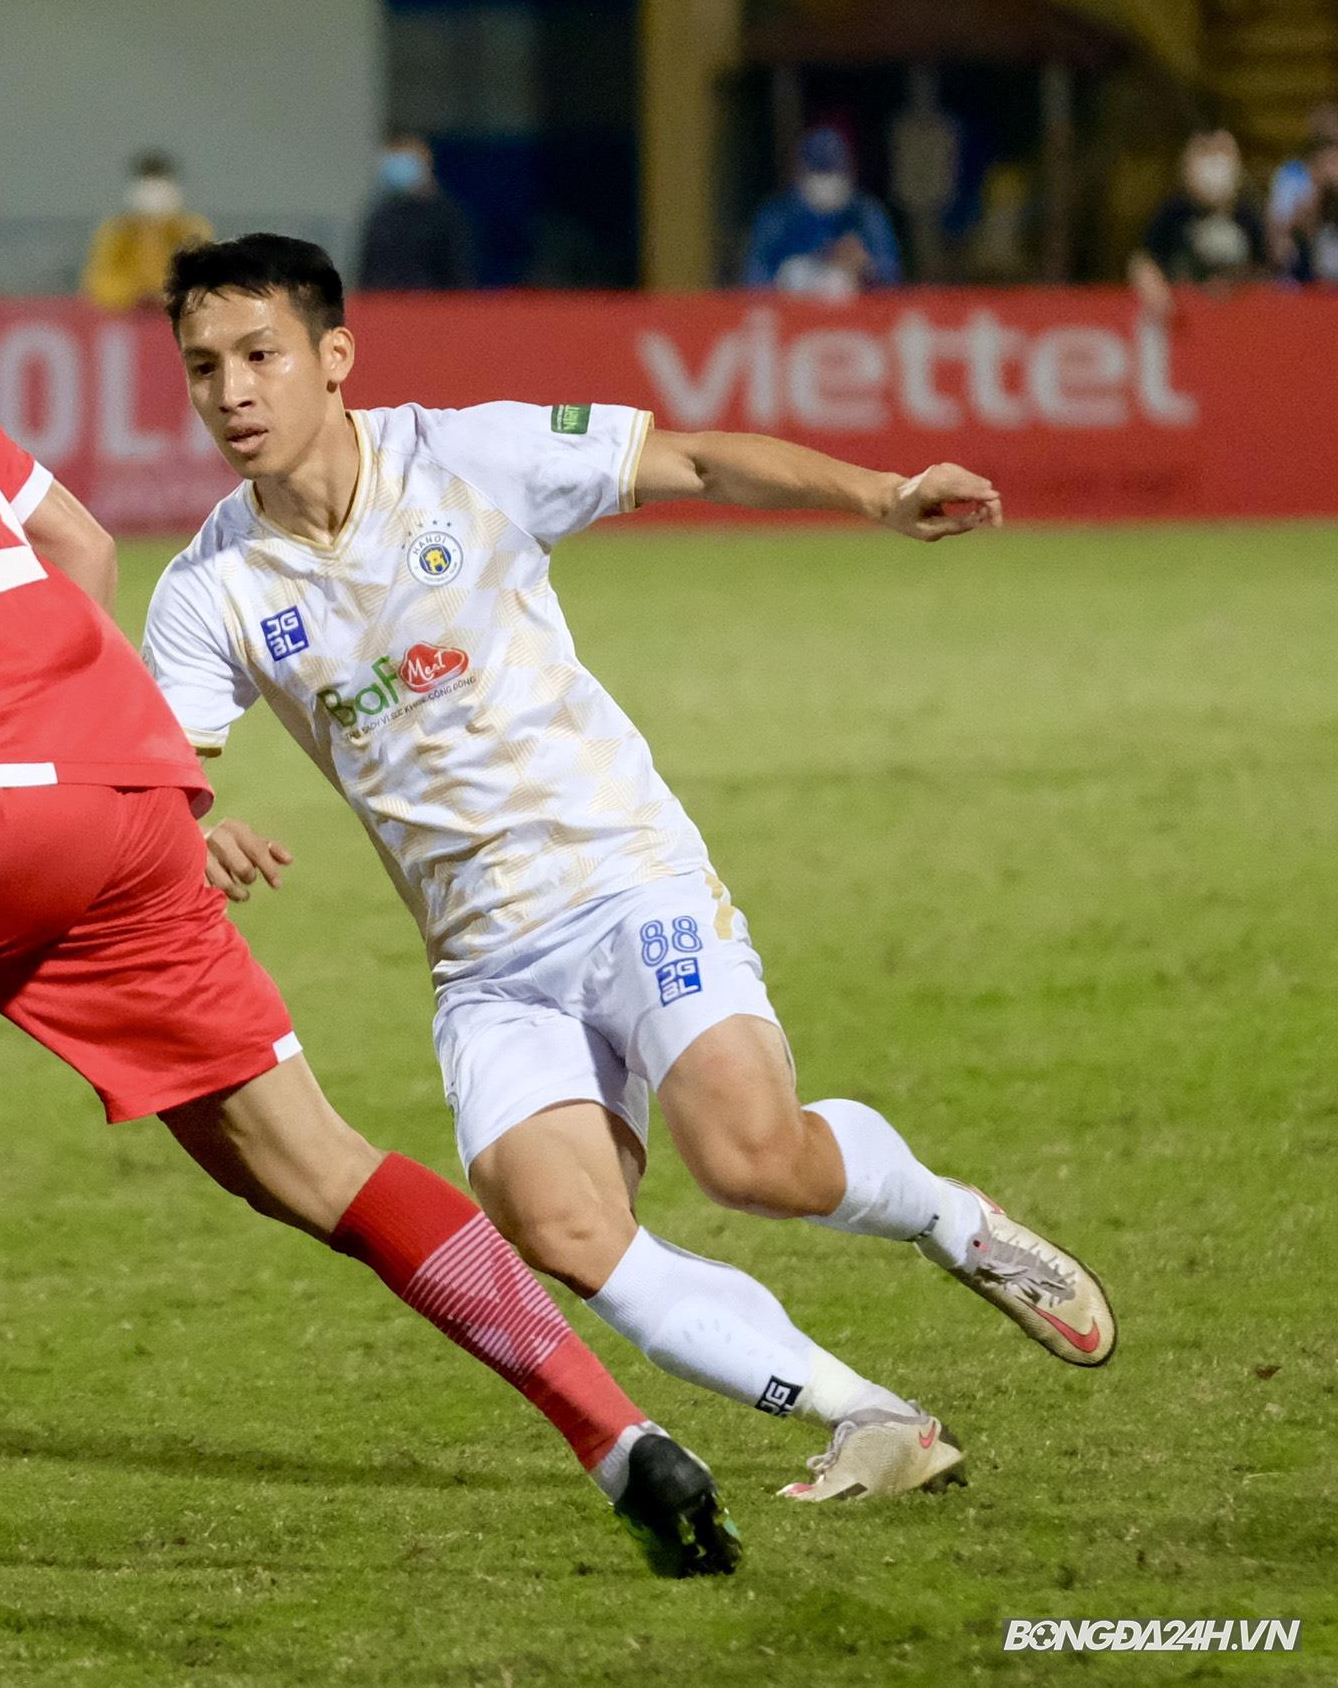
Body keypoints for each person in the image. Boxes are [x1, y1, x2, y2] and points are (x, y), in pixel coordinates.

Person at [0, 35, 739, 1584]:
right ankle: (615, 1431)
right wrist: (129, 776)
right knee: (311, 1160)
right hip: (115, 788)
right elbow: (77, 539)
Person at [142, 233, 1118, 1505]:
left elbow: (699, 457)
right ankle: (869, 1414)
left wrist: (878, 495)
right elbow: (159, 766)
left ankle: (947, 1216)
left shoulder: (468, 455)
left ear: (334, 357)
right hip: (484, 966)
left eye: (259, 355)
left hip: (623, 878)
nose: (232, 393)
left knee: (752, 1157)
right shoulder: (208, 585)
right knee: (563, 1227)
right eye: (203, 366)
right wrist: (186, 822)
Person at [741, 127, 902, 296]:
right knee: (796, 272)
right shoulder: (777, 216)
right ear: (800, 172)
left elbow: (891, 277)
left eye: (832, 172)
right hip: (790, 313)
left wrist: (867, 269)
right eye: (818, 172)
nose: (826, 182)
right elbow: (755, 277)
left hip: (853, 315)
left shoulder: (866, 213)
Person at [1130, 128, 1268, 319]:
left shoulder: (1247, 215)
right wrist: (1155, 290)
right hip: (1185, 320)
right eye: (1205, 153)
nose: (1213, 165)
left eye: (1221, 153)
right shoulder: (1174, 213)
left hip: (1238, 320)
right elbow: (1144, 260)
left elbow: (1265, 268)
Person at [79, 151, 212, 312]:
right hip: (130, 318)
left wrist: (168, 295)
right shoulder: (116, 231)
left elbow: (204, 277)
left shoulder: (191, 228)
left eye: (160, 184)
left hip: (179, 314)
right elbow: (100, 280)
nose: (154, 193)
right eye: (147, 184)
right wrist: (132, 296)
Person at [356, 130, 477, 290]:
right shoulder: (381, 216)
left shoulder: (447, 217)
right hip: (385, 307)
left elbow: (458, 273)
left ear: (426, 163)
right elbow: (368, 271)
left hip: (431, 308)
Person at [1266, 102, 1338, 275]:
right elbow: (1277, 228)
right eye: (1325, 142)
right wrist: (1318, 191)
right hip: (1304, 263)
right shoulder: (1291, 173)